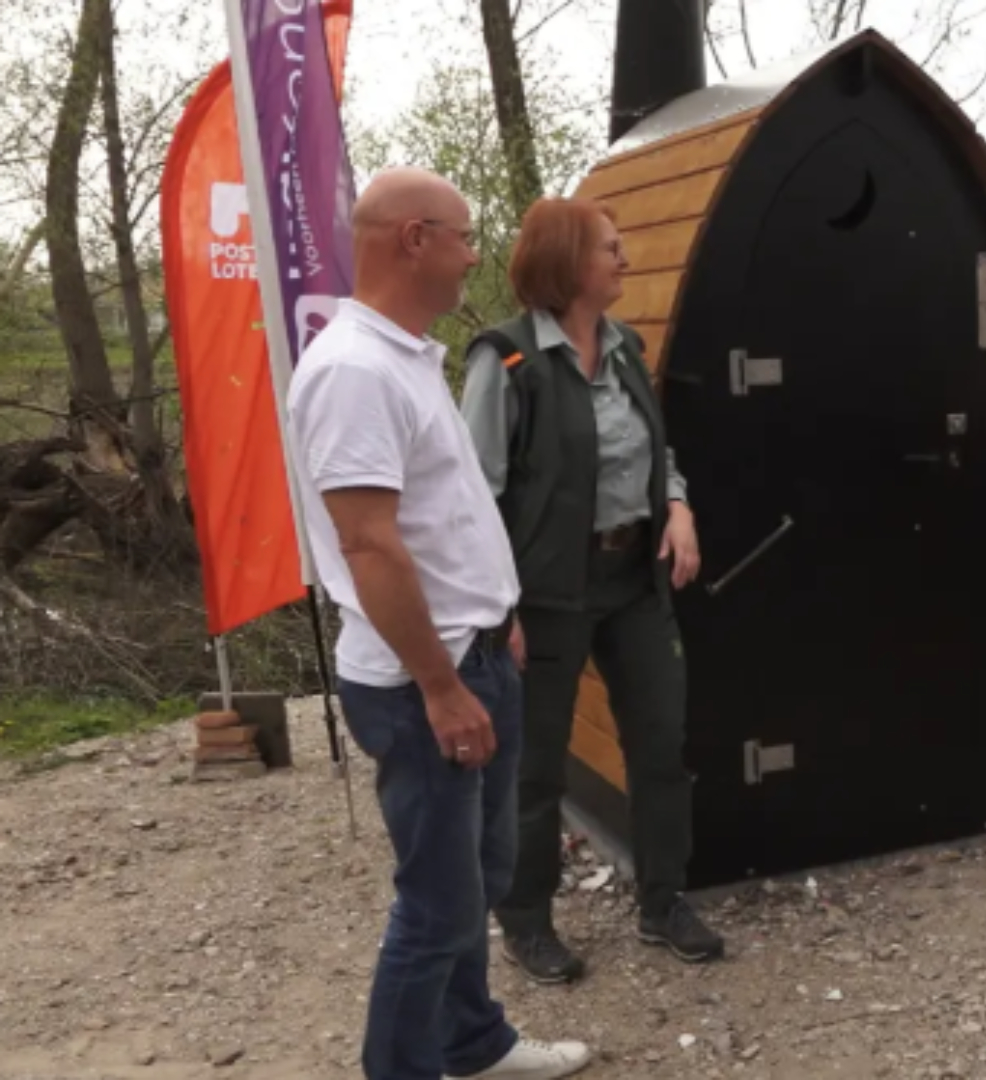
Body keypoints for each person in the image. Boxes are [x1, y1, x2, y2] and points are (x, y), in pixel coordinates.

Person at [285, 167, 592, 1080]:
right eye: (462, 235)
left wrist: (496, 621)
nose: (475, 255)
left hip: (474, 653)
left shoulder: (407, 355)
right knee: (437, 907)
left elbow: (447, 514)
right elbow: (370, 544)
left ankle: (473, 1043)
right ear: (413, 239)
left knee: (478, 880)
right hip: (425, 681)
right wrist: (442, 685)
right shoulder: (351, 372)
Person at [460, 197, 722, 984]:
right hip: (543, 592)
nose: (626, 259)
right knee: (534, 765)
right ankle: (527, 921)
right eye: (611, 248)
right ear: (569, 261)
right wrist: (495, 611)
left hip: (633, 580)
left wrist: (676, 505)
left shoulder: (627, 347)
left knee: (660, 744)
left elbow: (655, 449)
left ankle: (664, 901)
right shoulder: (505, 361)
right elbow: (471, 497)